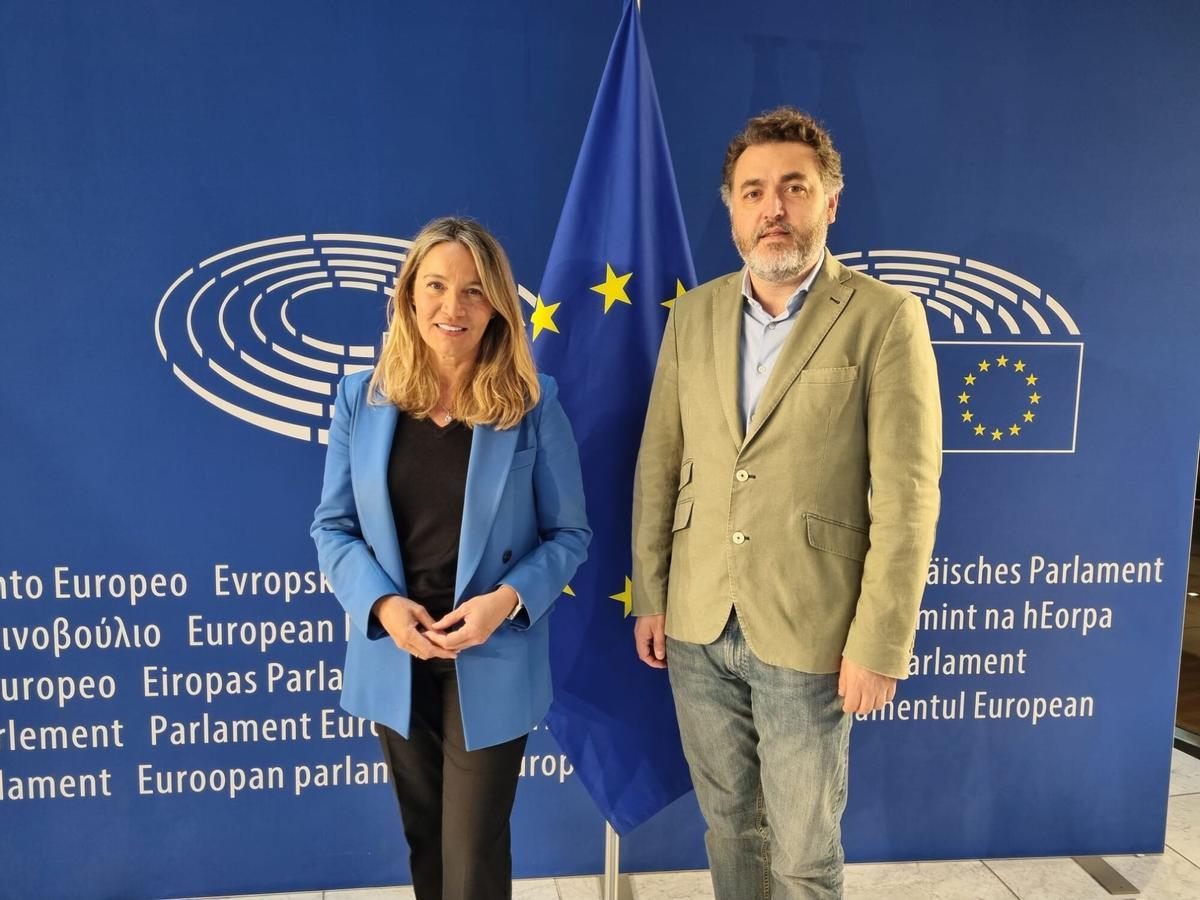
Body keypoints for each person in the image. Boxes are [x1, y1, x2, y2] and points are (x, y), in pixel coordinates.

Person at [631, 107, 941, 899]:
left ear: (829, 202)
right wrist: (652, 594)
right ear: (732, 207)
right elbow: (660, 465)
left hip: (813, 630)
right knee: (729, 828)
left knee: (804, 851)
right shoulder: (692, 317)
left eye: (793, 188)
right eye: (754, 191)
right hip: (698, 627)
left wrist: (881, 641)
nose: (773, 207)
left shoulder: (883, 318)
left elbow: (907, 495)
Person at [311, 216, 590, 900]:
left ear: (496, 303)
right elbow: (333, 527)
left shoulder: (532, 404)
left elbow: (569, 536)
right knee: (427, 846)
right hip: (396, 651)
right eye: (435, 286)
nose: (452, 307)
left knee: (471, 857)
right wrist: (382, 605)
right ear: (408, 296)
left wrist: (504, 603)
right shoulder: (361, 398)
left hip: (490, 654)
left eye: (472, 290)